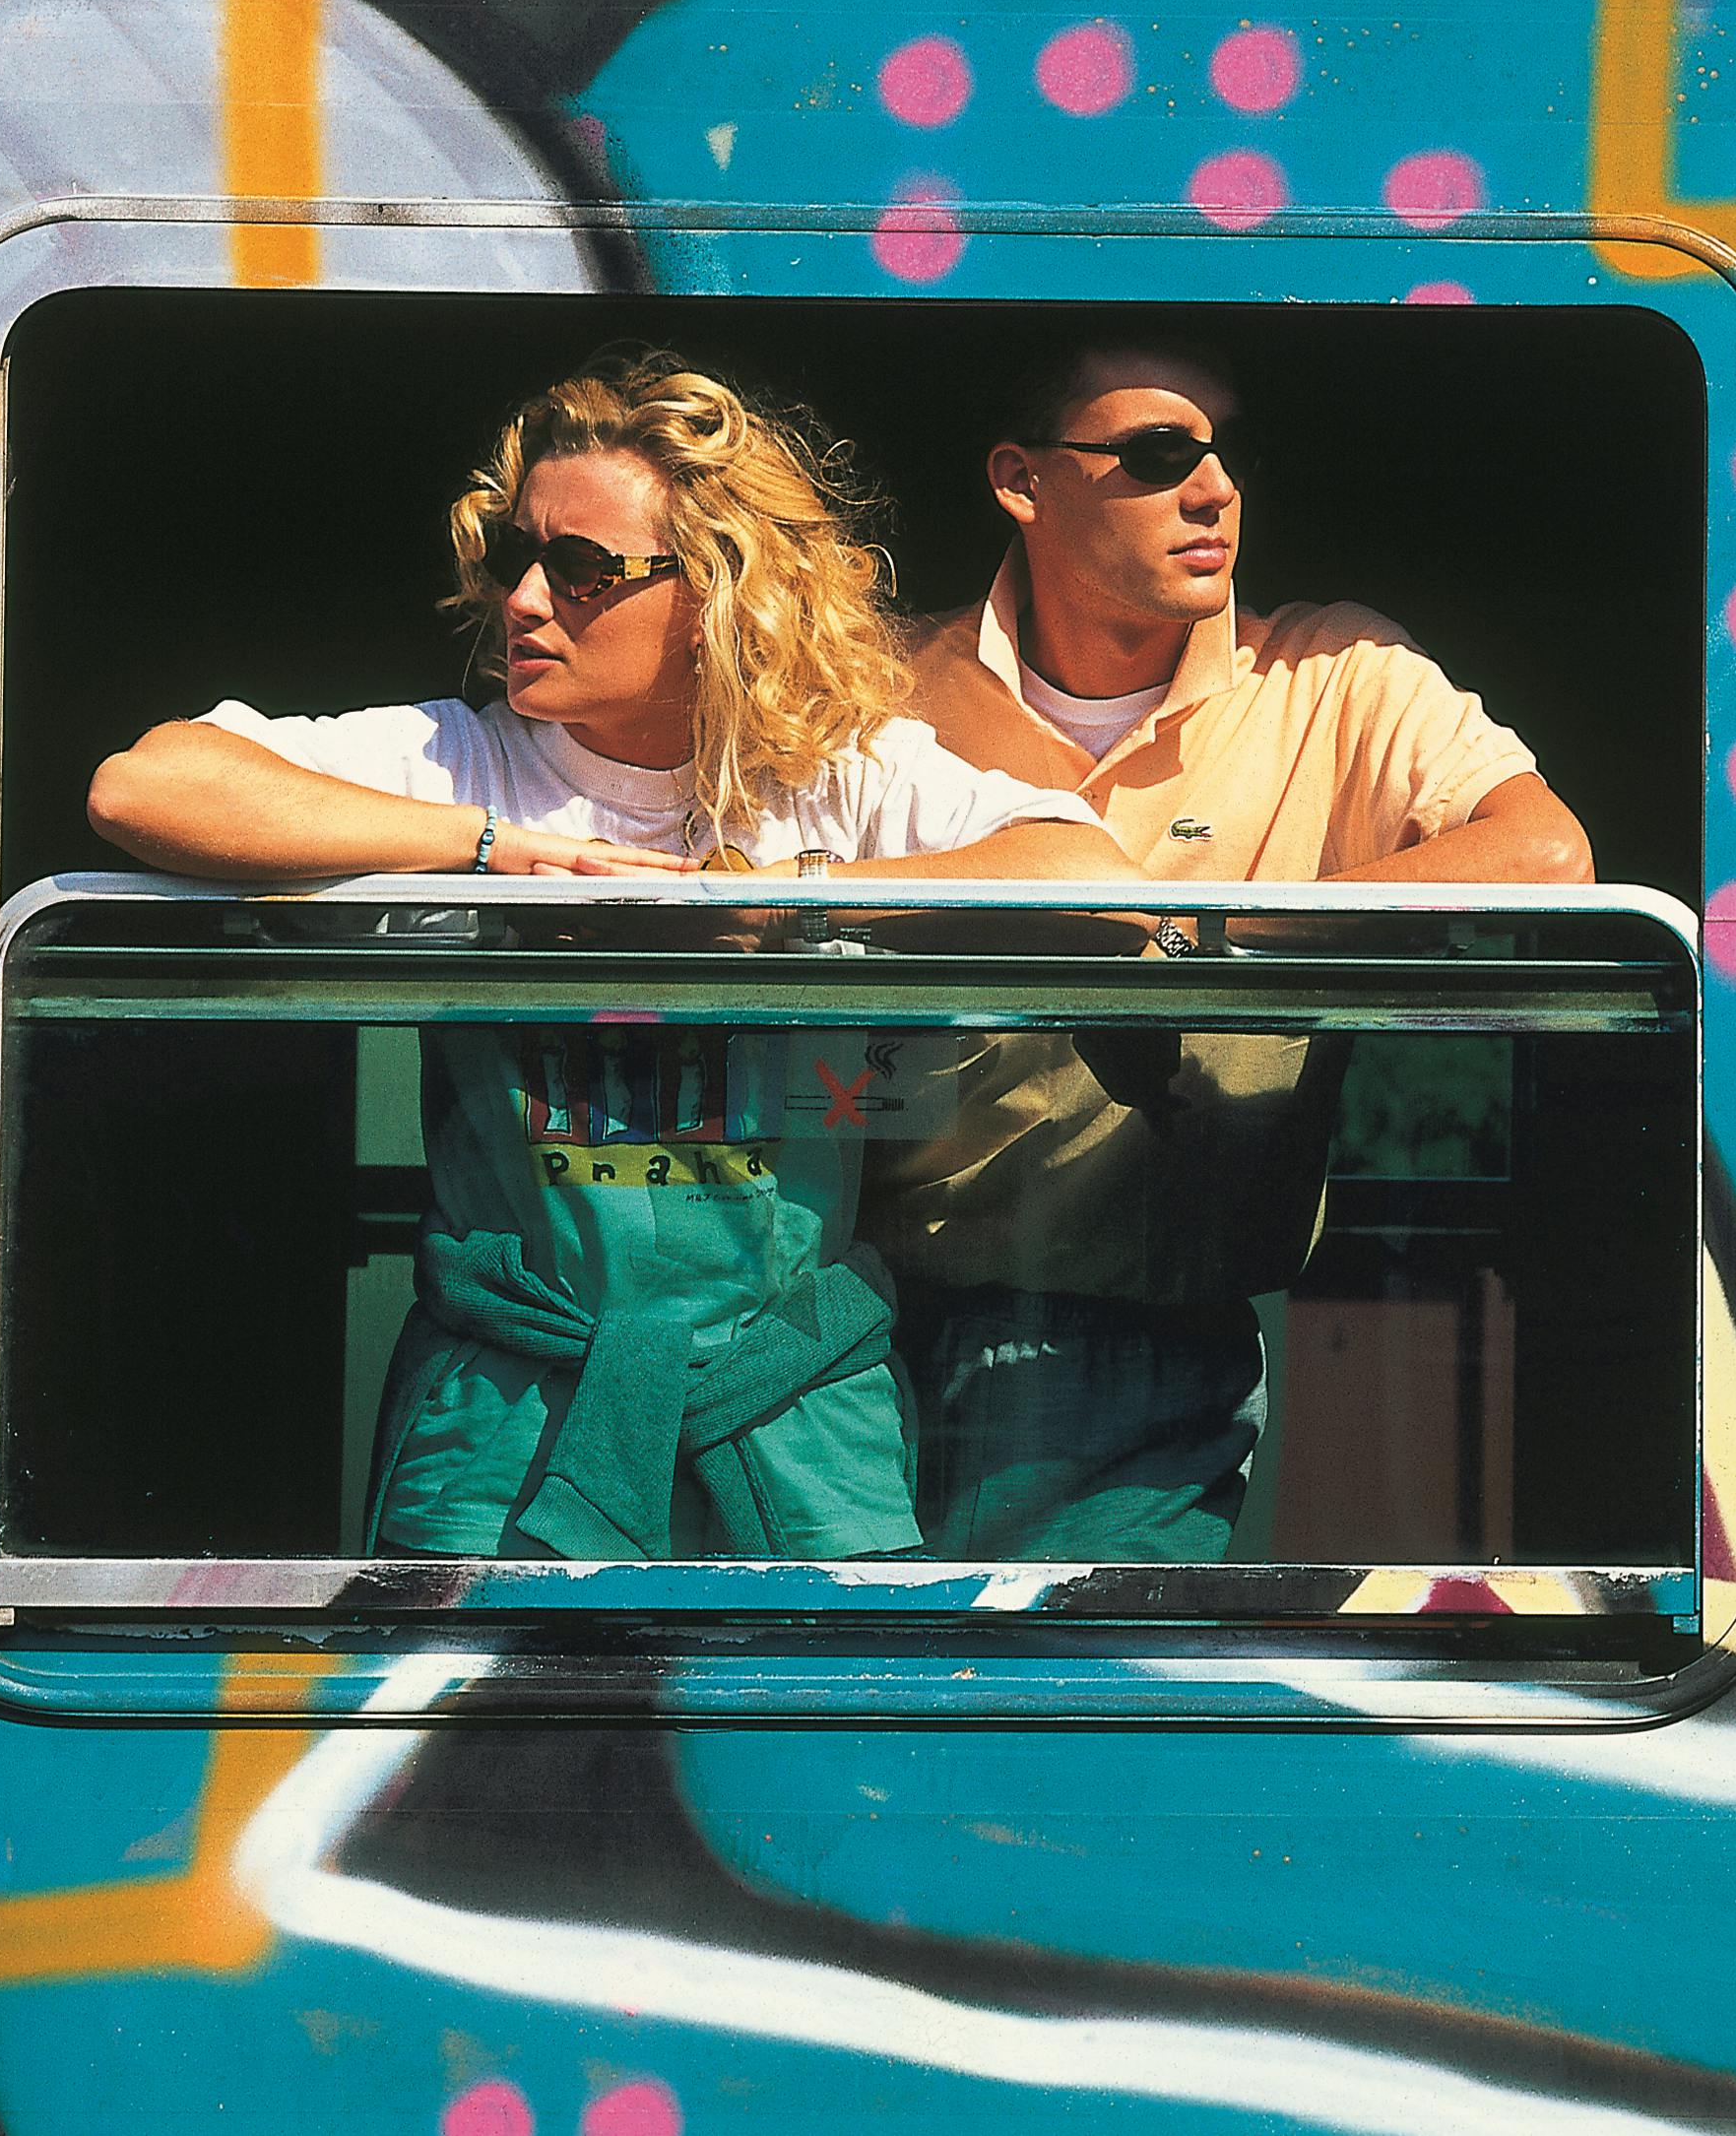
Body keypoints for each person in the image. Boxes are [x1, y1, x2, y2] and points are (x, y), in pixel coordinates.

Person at [88, 353, 1131, 1561]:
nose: (525, 600)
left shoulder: (837, 781)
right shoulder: (464, 763)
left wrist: (787, 907)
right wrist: (489, 852)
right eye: (511, 559)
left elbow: (1094, 881)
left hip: (787, 1412)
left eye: (582, 570)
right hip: (507, 1412)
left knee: (824, 1738)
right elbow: (145, 784)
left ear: (726, 591)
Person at [864, 328, 1593, 1563]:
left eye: (1225, 455)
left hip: (1144, 1340)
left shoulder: (1334, 675)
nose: (1214, 491)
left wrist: (1197, 932)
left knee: (1044, 1723)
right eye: (1158, 453)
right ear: (1020, 478)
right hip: (846, 1330)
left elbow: (1546, 857)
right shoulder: (879, 681)